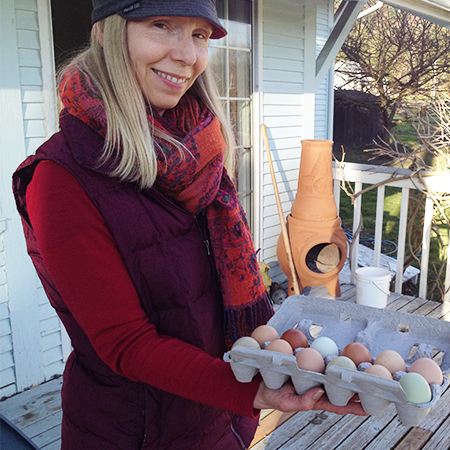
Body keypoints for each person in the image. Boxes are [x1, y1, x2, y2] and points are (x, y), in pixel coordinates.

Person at [13, 1, 366, 448]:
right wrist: (252, 390)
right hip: (134, 432)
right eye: (162, 25)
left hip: (218, 419)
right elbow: (125, 344)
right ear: (107, 32)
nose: (188, 55)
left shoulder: (197, 151)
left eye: (199, 34)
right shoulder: (60, 179)